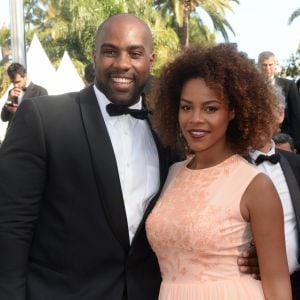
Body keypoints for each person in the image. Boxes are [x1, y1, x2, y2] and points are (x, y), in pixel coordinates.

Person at [0, 14, 258, 300]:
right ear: (94, 55)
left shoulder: (169, 132)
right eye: (110, 51)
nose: (122, 64)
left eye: (135, 53)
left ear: (150, 60)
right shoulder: (43, 118)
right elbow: (11, 226)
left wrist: (250, 249)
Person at [146, 44, 291, 299]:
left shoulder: (256, 186)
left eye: (211, 108)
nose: (195, 119)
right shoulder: (172, 174)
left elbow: (278, 286)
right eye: (186, 107)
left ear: (233, 111)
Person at [249, 92, 300, 299]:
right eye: (251, 112)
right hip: (248, 287)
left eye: (264, 110)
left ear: (279, 115)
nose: (257, 118)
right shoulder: (228, 166)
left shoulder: (296, 165)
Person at [257, 51, 300, 152]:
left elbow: (296, 115)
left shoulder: (289, 85)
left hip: (285, 138)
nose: (267, 68)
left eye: (270, 65)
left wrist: (297, 144)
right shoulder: (253, 87)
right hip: (261, 139)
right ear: (259, 65)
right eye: (264, 65)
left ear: (275, 64)